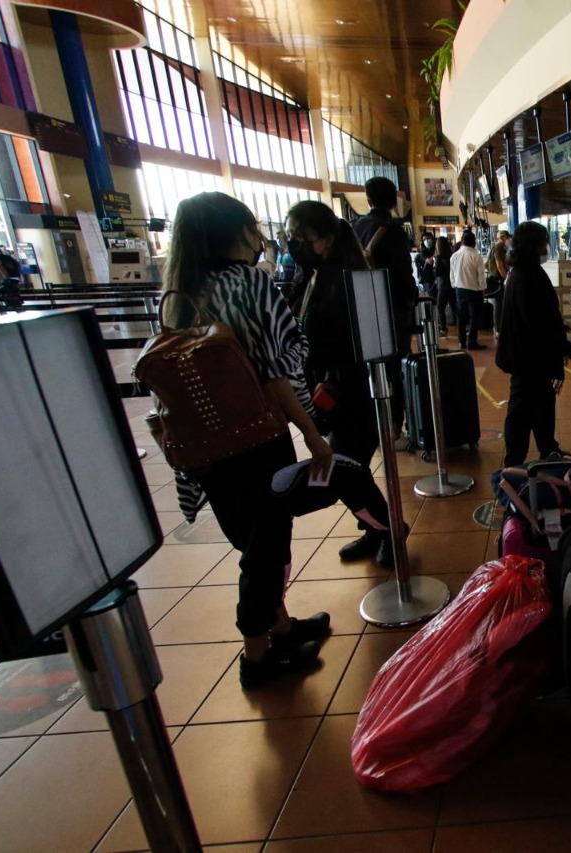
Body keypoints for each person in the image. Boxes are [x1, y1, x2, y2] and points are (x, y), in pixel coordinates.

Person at [160, 191, 330, 689]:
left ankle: (279, 625)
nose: (259, 237)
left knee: (251, 538)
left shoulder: (178, 292)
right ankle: (257, 655)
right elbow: (277, 375)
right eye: (251, 227)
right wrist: (313, 435)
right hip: (257, 439)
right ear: (234, 233)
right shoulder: (251, 283)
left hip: (209, 446)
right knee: (268, 545)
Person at [284, 200, 398, 565]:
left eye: (303, 237)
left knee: (346, 470)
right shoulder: (312, 277)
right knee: (352, 469)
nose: (295, 244)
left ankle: (389, 529)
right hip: (327, 394)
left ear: (328, 238)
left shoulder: (350, 280)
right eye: (290, 236)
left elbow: (369, 344)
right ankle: (376, 528)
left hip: (353, 393)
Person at [495, 221, 571, 466]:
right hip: (529, 357)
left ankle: (548, 449)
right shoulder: (527, 276)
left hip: (527, 355)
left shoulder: (521, 271)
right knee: (522, 411)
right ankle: (514, 462)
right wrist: (564, 347)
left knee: (542, 404)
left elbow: (540, 317)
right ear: (533, 245)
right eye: (543, 242)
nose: (546, 247)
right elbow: (539, 324)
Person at [352, 176, 418, 362]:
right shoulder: (394, 230)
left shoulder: (357, 227)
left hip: (363, 305)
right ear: (393, 201)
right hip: (392, 305)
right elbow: (403, 271)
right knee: (396, 358)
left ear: (369, 200)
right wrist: (410, 298)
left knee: (372, 360)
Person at [450, 229, 488, 350]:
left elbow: (452, 274)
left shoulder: (454, 256)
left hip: (459, 289)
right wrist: (482, 290)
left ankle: (461, 341)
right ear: (474, 243)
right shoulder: (476, 256)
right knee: (474, 317)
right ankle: (472, 342)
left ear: (462, 242)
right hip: (473, 291)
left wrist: (454, 285)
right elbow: (481, 276)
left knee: (461, 317)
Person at [485, 228, 510, 333]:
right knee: (500, 305)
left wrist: (492, 271)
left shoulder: (493, 247)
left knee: (498, 304)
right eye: (508, 238)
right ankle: (499, 329)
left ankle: (498, 328)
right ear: (504, 238)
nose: (509, 240)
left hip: (493, 279)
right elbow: (500, 266)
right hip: (499, 280)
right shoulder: (500, 248)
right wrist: (506, 279)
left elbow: (486, 265)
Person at [433, 235, 456, 336]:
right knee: (454, 307)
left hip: (443, 286)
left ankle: (443, 328)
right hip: (452, 284)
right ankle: (462, 325)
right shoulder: (452, 256)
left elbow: (437, 272)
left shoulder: (438, 258)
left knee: (440, 307)